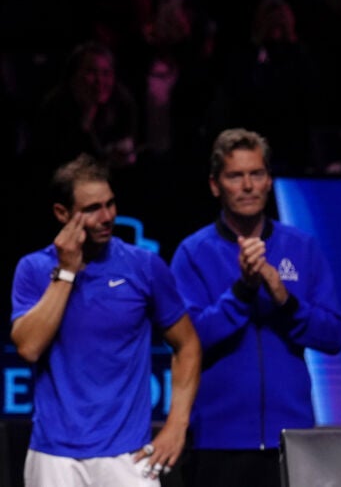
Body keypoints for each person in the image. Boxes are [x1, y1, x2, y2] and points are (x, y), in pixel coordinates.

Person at [170, 128, 341, 487]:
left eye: (257, 174)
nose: (248, 185)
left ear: (269, 181)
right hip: (217, 441)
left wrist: (285, 299)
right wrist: (242, 291)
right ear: (215, 185)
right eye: (235, 176)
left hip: (291, 437)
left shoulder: (302, 246)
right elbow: (188, 340)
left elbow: (334, 335)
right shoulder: (193, 253)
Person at [11, 154, 200, 486]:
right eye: (92, 209)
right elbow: (29, 347)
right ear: (62, 213)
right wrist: (66, 272)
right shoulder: (33, 269)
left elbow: (187, 346)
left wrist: (176, 426)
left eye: (110, 204)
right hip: (54, 456)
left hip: (128, 456)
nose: (107, 217)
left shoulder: (144, 266)